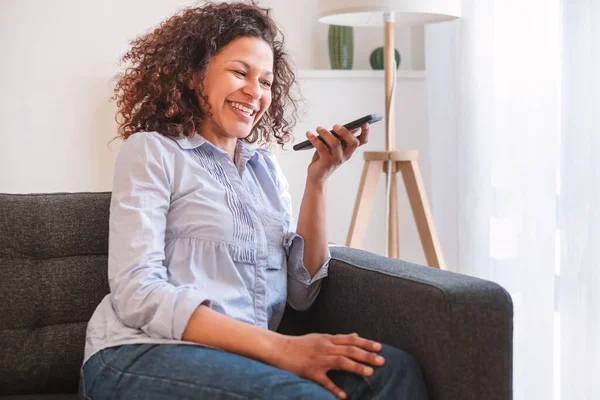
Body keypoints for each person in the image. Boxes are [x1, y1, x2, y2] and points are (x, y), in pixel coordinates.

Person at [79, 2, 429, 399]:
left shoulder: (265, 169)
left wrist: (318, 181)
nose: (255, 92)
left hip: (239, 359)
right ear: (194, 76)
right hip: (142, 352)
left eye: (265, 81)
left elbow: (301, 294)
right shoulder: (152, 152)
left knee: (394, 369)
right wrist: (282, 349)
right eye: (239, 72)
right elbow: (136, 293)